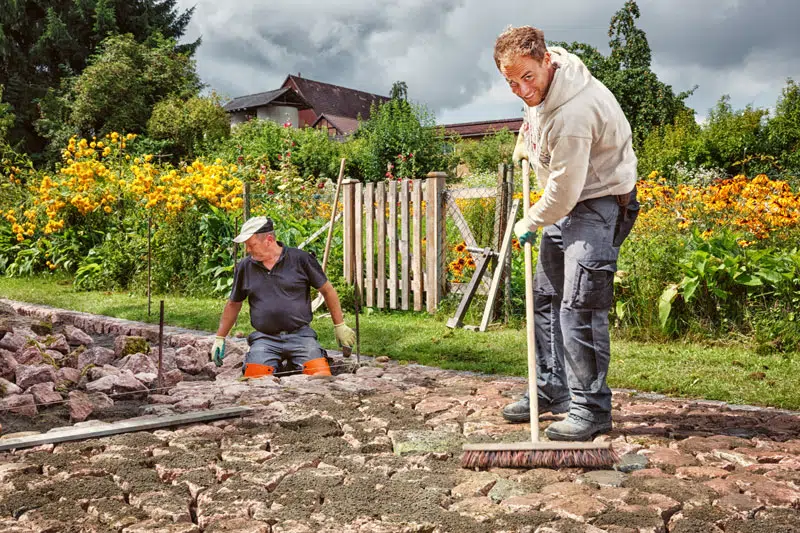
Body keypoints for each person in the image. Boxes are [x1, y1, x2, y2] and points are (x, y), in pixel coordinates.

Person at [494, 26, 640, 441]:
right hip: (568, 203)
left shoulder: (576, 111)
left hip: (599, 202)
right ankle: (551, 388)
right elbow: (535, 113)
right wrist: (527, 136)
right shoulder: (542, 82)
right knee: (546, 297)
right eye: (511, 81)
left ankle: (591, 409)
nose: (522, 88)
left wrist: (530, 220)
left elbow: (564, 191)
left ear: (547, 62)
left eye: (528, 77)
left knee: (579, 304)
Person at [211, 216, 356, 377]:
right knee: (254, 378)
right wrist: (220, 337)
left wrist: (340, 325)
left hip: (301, 336)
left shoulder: (301, 259)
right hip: (265, 339)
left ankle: (292, 367)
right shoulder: (245, 267)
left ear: (269, 240)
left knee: (319, 376)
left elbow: (328, 291)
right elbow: (234, 304)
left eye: (251, 245)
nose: (248, 250)